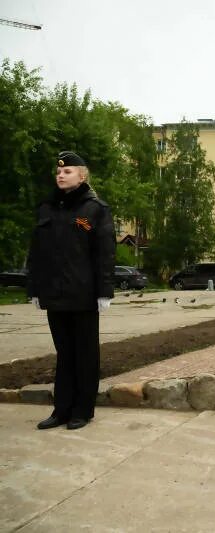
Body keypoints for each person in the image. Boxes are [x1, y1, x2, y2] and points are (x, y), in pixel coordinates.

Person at [27, 151, 115, 430]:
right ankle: (61, 410)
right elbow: (37, 252)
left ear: (82, 175)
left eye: (67, 171)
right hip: (55, 294)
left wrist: (104, 292)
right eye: (58, 172)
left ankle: (82, 410)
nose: (60, 175)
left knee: (85, 354)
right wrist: (36, 287)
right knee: (64, 354)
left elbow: (104, 253)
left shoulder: (95, 209)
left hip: (84, 295)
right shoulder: (47, 208)